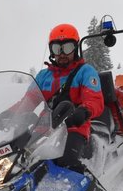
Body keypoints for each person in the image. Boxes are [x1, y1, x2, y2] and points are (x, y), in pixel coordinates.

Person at [34, 23, 104, 171]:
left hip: (74, 126)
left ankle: (83, 189)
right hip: (45, 126)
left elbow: (95, 99)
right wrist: (9, 113)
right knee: (21, 158)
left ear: (76, 48)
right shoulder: (43, 76)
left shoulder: (85, 72)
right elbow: (28, 100)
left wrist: (84, 111)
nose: (62, 54)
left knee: (66, 162)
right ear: (51, 51)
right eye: (57, 49)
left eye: (67, 48)